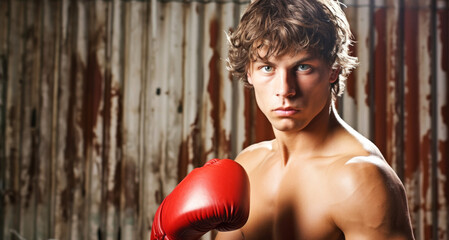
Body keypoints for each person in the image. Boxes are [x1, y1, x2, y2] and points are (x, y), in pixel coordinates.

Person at [215, 0, 416, 239]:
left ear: (333, 70)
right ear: (249, 71)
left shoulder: (359, 179)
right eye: (267, 68)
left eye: (302, 67)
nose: (285, 89)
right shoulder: (248, 165)